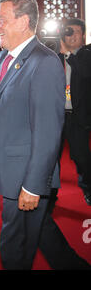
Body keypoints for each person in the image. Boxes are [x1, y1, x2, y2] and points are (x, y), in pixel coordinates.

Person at [0, 0, 90, 270]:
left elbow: (48, 132)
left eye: (1, 19)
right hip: (11, 169)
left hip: (25, 175)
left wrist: (33, 186)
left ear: (23, 22)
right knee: (42, 231)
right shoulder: (2, 58)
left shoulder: (44, 62)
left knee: (15, 247)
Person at [57, 18, 91, 206]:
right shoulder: (56, 55)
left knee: (81, 156)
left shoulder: (87, 53)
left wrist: (68, 54)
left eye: (76, 32)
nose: (72, 35)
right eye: (68, 31)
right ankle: (50, 195)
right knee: (51, 156)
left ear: (83, 34)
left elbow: (85, 72)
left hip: (78, 116)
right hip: (57, 116)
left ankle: (88, 188)